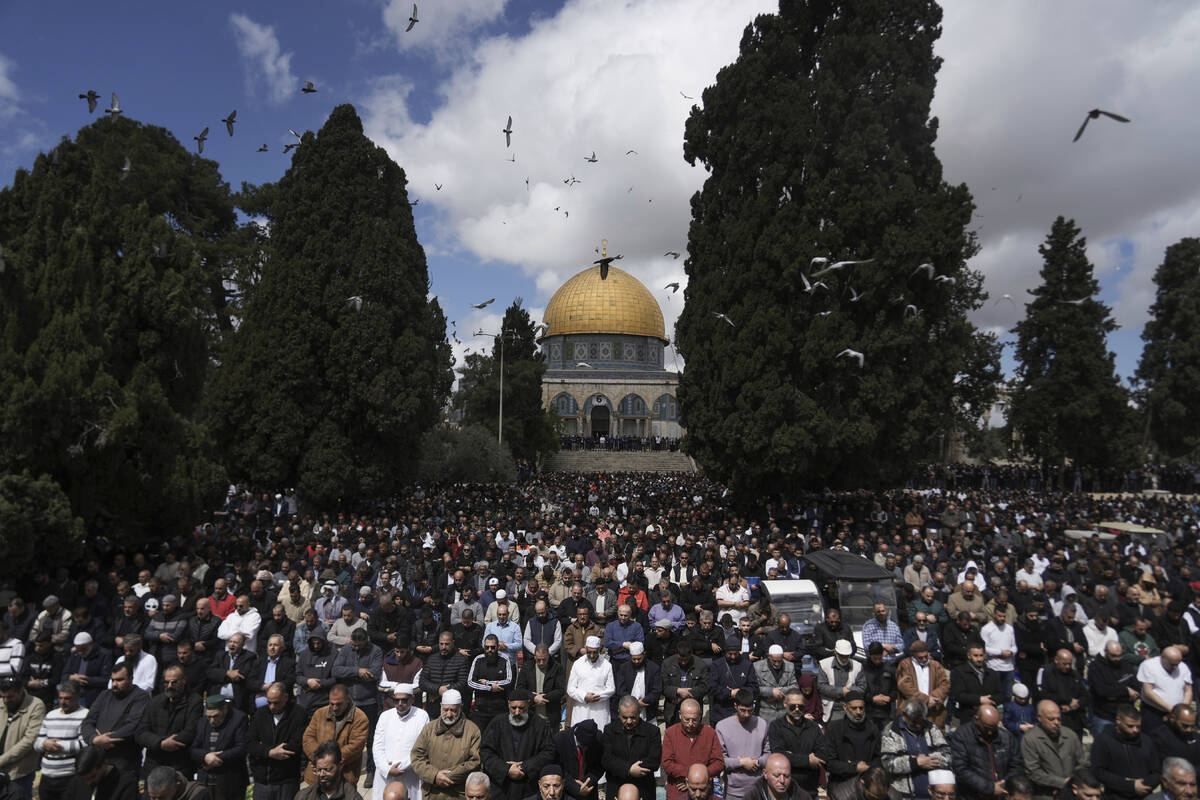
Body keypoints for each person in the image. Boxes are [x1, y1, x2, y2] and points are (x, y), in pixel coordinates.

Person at [479, 690, 556, 800]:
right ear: (508, 704)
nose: (517, 712)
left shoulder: (540, 724)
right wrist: (506, 769)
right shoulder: (497, 722)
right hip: (501, 787)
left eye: (521, 708)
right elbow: (486, 752)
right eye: (513, 708)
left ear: (528, 704)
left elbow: (549, 752)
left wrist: (525, 767)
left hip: (529, 787)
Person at [409, 688, 483, 800]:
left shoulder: (472, 730)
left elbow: (475, 762)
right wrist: (434, 776)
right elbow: (417, 758)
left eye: (453, 710)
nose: (449, 714)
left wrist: (448, 776)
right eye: (445, 709)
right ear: (440, 706)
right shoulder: (429, 728)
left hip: (458, 794)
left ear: (461, 707)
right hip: (431, 793)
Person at [79, 662, 147, 772]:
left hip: (125, 760)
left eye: (119, 680)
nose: (114, 684)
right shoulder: (104, 695)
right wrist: (95, 739)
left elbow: (133, 726)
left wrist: (106, 740)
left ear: (131, 679)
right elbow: (88, 722)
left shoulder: (140, 696)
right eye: (112, 680)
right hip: (98, 758)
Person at [137, 664, 202, 777]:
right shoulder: (155, 702)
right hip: (153, 765)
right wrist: (160, 743)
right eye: (166, 682)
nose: (169, 686)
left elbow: (190, 732)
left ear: (184, 680)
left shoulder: (195, 701)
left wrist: (165, 743)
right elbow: (141, 733)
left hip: (180, 765)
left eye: (174, 682)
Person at [949, 704, 1024, 800]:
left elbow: (1017, 765)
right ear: (977, 718)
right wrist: (989, 788)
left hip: (1001, 794)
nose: (990, 732)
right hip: (972, 795)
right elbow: (961, 769)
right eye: (987, 727)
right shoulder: (962, 736)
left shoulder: (1006, 737)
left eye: (993, 728)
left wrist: (1004, 785)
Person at [881, 699, 951, 800]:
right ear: (904, 715)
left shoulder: (931, 728)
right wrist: (915, 763)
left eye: (921, 721)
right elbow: (888, 763)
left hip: (934, 795)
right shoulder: (892, 730)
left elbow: (947, 755)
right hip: (904, 795)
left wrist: (927, 760)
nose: (918, 725)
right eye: (914, 721)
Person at [1089, 704, 1162, 800]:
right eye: (1130, 726)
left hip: (1145, 795)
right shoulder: (1103, 741)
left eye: (1138, 726)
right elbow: (1098, 771)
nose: (1135, 730)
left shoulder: (1147, 741)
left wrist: (1144, 784)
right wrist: (1129, 785)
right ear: (1118, 720)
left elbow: (1157, 771)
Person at [246, 683, 305, 800]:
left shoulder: (298, 714)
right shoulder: (260, 714)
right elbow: (249, 743)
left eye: (276, 703)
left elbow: (296, 744)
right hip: (263, 780)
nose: (272, 706)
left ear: (286, 697)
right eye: (269, 702)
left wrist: (262, 747)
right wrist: (269, 752)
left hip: (287, 781)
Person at [301, 684, 369, 785]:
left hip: (344, 778)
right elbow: (308, 738)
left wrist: (327, 762)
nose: (334, 707)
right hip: (317, 778)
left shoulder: (360, 718)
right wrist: (318, 758)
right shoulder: (319, 713)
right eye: (331, 704)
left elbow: (355, 747)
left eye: (339, 704)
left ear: (348, 700)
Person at [372, 684, 430, 800]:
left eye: (404, 700)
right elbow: (377, 746)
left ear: (412, 699)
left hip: (409, 772)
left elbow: (422, 748)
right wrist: (386, 769)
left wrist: (401, 767)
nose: (400, 703)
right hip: (385, 773)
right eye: (396, 700)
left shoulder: (422, 716)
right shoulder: (385, 716)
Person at [817, 691, 882, 794]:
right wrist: (854, 768)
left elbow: (878, 758)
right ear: (845, 707)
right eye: (854, 708)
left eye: (861, 708)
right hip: (841, 784)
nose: (858, 712)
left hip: (867, 783)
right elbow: (829, 763)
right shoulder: (834, 729)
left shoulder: (872, 729)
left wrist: (868, 768)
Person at [33, 681, 87, 800]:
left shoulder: (85, 715)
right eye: (61, 698)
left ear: (78, 696)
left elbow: (85, 744)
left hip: (70, 777)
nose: (63, 702)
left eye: (67, 698)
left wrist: (58, 746)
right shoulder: (51, 715)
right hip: (46, 776)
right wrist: (44, 744)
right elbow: (36, 744)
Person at [602, 695, 662, 800]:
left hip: (644, 787)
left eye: (633, 717)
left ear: (639, 712)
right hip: (616, 785)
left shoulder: (652, 732)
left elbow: (654, 760)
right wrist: (628, 769)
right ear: (619, 713)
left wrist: (634, 769)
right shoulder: (609, 730)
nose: (629, 721)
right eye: (625, 717)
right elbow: (606, 759)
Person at [1020, 700, 1083, 800]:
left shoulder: (1070, 735)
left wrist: (1074, 782)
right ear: (1039, 718)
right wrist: (1062, 782)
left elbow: (1082, 763)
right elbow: (1033, 772)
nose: (1056, 723)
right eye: (1051, 719)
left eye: (1059, 719)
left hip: (1071, 793)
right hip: (1045, 795)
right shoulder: (1030, 739)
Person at [662, 698, 724, 800]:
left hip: (704, 790)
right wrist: (691, 778)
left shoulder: (710, 733)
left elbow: (719, 762)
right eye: (687, 719)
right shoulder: (670, 733)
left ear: (700, 715)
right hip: (678, 789)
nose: (690, 724)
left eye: (694, 720)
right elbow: (667, 763)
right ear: (680, 715)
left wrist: (699, 780)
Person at [190, 696, 248, 800]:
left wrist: (216, 759)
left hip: (229, 781)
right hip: (205, 781)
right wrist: (205, 757)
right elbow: (193, 749)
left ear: (225, 709)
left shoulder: (239, 719)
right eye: (209, 717)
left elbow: (241, 748)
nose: (211, 720)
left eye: (215, 716)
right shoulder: (203, 722)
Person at [768, 688, 823, 796]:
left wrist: (791, 757)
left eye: (801, 706)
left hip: (810, 789)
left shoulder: (813, 727)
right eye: (793, 706)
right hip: (785, 791)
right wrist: (808, 760)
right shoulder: (776, 726)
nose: (797, 709)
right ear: (785, 704)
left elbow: (822, 755)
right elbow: (780, 755)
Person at [0, 677, 45, 800]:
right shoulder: (1, 704)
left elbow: (29, 740)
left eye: (10, 697)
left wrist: (2, 760)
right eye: (3, 697)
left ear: (21, 691)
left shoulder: (36, 705)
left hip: (19, 771)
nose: (5, 701)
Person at [1089, 640, 1139, 737]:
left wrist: (1115, 693)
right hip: (1104, 716)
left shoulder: (1126, 665)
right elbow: (1102, 691)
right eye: (1113, 656)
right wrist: (1126, 690)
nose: (1117, 659)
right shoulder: (1095, 667)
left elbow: (1136, 686)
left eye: (1119, 655)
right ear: (1106, 652)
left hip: (1126, 715)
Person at [896, 640, 950, 728]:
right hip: (911, 709)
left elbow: (945, 684)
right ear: (913, 655)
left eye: (926, 656)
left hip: (933, 711)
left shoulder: (935, 665)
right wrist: (925, 700)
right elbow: (904, 685)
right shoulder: (905, 665)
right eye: (920, 658)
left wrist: (934, 698)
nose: (924, 659)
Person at [467, 634, 515, 734]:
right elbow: (470, 682)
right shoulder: (478, 659)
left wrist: (488, 682)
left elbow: (509, 681)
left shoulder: (504, 659)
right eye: (487, 647)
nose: (489, 650)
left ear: (497, 647)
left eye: (493, 647)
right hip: (481, 710)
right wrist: (489, 687)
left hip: (500, 710)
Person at [1139, 646, 1193, 733]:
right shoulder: (1149, 665)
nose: (1176, 667)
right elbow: (1148, 692)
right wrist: (1171, 710)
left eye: (1178, 664)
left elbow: (1188, 691)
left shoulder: (1183, 667)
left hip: (1176, 715)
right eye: (1172, 664)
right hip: (1154, 712)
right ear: (1163, 658)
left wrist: (1181, 710)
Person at [1035, 649, 1087, 736]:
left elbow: (1086, 696)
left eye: (1069, 664)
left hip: (1075, 720)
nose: (1067, 667)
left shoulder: (1074, 675)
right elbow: (1043, 694)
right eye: (1064, 664)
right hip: (1056, 720)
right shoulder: (1046, 672)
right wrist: (1067, 701)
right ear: (1056, 660)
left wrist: (1076, 705)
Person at [565, 636, 613, 728]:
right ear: (585, 648)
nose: (591, 655)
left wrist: (596, 697)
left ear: (599, 649)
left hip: (600, 710)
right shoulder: (577, 664)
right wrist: (585, 696)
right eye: (589, 652)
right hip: (581, 710)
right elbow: (570, 689)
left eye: (595, 652)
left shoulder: (607, 665)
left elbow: (611, 688)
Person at [711, 634, 759, 724]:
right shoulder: (717, 665)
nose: (733, 657)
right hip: (721, 712)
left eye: (735, 654)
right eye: (730, 654)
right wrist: (729, 693)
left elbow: (754, 687)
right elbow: (712, 688)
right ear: (725, 652)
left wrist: (739, 692)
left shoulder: (747, 665)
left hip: (742, 713)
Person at [420, 631, 470, 718]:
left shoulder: (461, 660)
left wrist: (444, 691)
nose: (443, 647)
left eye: (447, 644)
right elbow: (422, 682)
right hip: (433, 709)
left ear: (453, 643)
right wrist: (437, 689)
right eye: (441, 644)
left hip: (453, 710)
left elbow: (463, 683)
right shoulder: (431, 659)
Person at [951, 645, 1005, 724]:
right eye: (975, 656)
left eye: (981, 655)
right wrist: (979, 700)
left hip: (989, 717)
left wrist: (989, 700)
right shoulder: (959, 672)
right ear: (969, 656)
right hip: (969, 718)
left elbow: (1001, 695)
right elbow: (959, 695)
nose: (979, 659)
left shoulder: (991, 673)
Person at [205, 632, 257, 713]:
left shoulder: (250, 657)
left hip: (237, 699)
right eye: (230, 641)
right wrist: (227, 673)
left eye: (236, 642)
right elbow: (210, 672)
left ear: (243, 645)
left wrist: (220, 675)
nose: (232, 644)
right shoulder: (220, 655)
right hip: (218, 697)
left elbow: (242, 676)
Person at [515, 644, 564, 730]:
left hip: (551, 716)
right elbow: (519, 688)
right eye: (538, 660)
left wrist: (542, 697)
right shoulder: (527, 667)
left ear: (548, 656)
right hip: (530, 716)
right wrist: (533, 697)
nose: (541, 663)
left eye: (544, 660)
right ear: (534, 657)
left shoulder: (557, 668)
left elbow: (560, 690)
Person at [552, 719, 602, 800]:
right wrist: (574, 786)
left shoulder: (598, 739)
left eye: (588, 746)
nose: (585, 748)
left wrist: (586, 783)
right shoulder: (560, 740)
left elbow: (599, 766)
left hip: (588, 791)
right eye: (583, 745)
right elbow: (557, 768)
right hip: (566, 791)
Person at [295, 741, 363, 800]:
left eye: (327, 770)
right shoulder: (304, 796)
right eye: (318, 770)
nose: (321, 774)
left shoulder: (352, 797)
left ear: (340, 765)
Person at [663, 640, 710, 725]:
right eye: (681, 660)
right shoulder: (667, 664)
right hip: (673, 709)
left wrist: (687, 694)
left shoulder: (700, 665)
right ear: (677, 654)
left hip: (693, 709)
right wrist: (677, 691)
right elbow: (663, 686)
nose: (683, 662)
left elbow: (704, 686)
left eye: (686, 660)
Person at [611, 641, 661, 721]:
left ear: (644, 654)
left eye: (639, 659)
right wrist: (634, 703)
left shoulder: (653, 668)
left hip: (647, 710)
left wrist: (644, 701)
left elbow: (656, 690)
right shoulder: (624, 668)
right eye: (634, 659)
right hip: (627, 710)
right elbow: (620, 690)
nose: (636, 662)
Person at [68, 745, 138, 800]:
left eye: (93, 777)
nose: (88, 782)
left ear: (104, 764)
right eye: (84, 779)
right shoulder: (77, 781)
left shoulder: (126, 783)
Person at [818, 640, 862, 722]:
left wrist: (849, 691)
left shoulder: (858, 666)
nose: (844, 659)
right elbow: (821, 686)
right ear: (836, 653)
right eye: (842, 656)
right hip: (833, 709)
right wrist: (841, 691)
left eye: (846, 656)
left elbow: (862, 688)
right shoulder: (824, 664)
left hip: (852, 710)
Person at [754, 644, 798, 722]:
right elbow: (755, 687)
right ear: (769, 657)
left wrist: (779, 692)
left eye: (780, 661)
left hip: (784, 711)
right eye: (774, 661)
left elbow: (795, 686)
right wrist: (771, 691)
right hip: (766, 712)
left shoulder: (790, 666)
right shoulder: (757, 666)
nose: (777, 664)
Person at [746, 752, 814, 800]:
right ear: (765, 774)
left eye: (786, 776)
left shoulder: (803, 797)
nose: (782, 780)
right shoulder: (752, 797)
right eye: (776, 775)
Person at [143, 764, 212, 800]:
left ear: (177, 786)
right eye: (153, 798)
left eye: (162, 798)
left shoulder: (198, 794)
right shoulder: (151, 794)